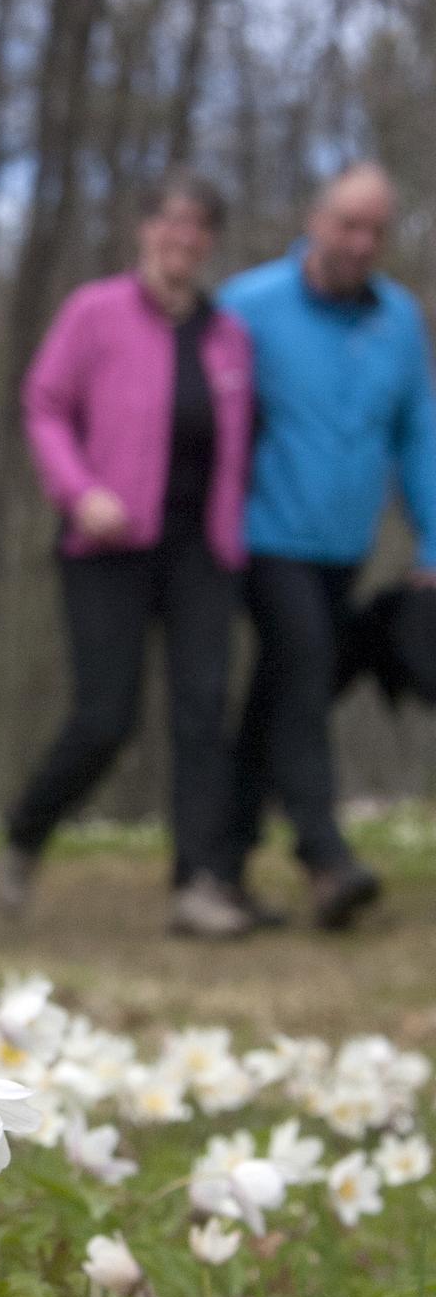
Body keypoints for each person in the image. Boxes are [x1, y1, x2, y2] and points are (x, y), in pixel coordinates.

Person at [0, 170, 255, 936]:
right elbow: (44, 404)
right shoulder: (95, 313)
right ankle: (26, 832)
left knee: (204, 711)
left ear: (210, 240)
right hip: (106, 544)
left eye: (200, 225)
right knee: (106, 716)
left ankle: (198, 883)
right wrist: (80, 491)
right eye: (171, 221)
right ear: (145, 229)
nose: (184, 237)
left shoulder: (227, 335)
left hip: (202, 549)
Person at [217, 163, 436, 928]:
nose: (362, 243)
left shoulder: (399, 320)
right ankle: (325, 857)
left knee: (284, 696)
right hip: (262, 537)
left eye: (377, 230)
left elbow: (417, 436)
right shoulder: (247, 307)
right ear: (315, 221)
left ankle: (221, 857)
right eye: (349, 225)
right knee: (304, 670)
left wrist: (432, 538)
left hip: (343, 545)